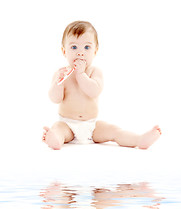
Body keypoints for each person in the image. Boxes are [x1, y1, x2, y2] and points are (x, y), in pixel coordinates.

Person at [42, 21, 161, 150]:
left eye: (87, 47)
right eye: (74, 47)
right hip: (67, 124)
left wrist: (81, 74)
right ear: (64, 51)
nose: (80, 53)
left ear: (95, 51)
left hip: (92, 126)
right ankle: (55, 139)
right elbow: (55, 99)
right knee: (58, 128)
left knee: (113, 130)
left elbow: (94, 91)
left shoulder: (95, 72)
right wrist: (58, 83)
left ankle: (139, 140)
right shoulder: (62, 73)